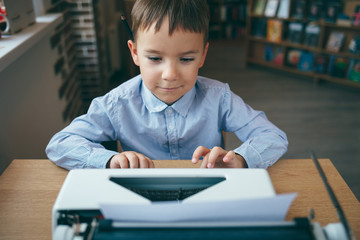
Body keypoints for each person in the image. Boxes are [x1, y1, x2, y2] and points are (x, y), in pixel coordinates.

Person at [46, 0, 288, 170]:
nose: (170, 74)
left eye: (186, 59)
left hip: (207, 193)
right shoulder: (116, 103)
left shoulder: (219, 97)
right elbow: (60, 144)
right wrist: (109, 160)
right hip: (141, 196)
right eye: (154, 58)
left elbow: (273, 136)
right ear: (135, 53)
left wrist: (242, 159)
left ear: (203, 56)